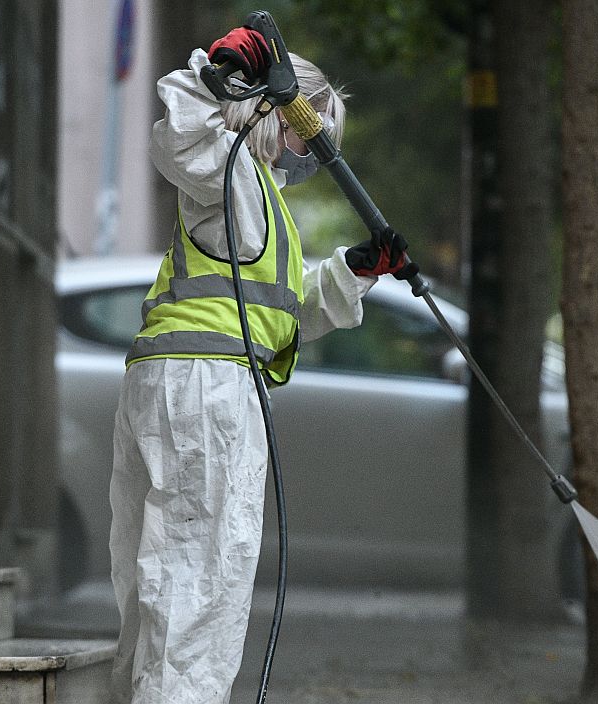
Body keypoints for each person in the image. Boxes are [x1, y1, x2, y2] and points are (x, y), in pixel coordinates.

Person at [108, 27, 416, 704]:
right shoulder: (228, 168)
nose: (313, 154)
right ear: (279, 111)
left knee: (159, 580)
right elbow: (181, 133)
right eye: (313, 133)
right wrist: (224, 70)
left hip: (180, 385)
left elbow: (281, 311)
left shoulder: (259, 197)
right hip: (206, 392)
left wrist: (355, 271)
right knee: (199, 580)